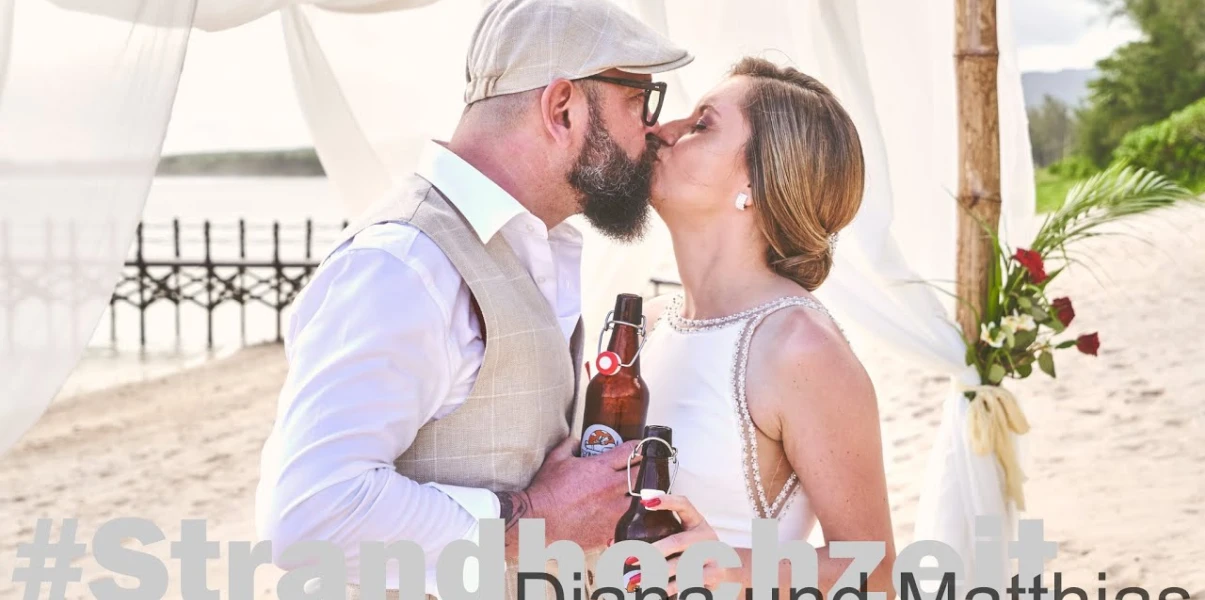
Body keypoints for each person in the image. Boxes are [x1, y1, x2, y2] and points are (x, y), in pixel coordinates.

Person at [252, 0, 692, 598]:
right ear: (561, 108)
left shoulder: (531, 244)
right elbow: (308, 516)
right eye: (640, 101)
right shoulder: (403, 265)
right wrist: (533, 518)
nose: (655, 129)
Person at [624, 57, 898, 598]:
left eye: (702, 125)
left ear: (756, 179)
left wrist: (738, 566)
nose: (662, 130)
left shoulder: (799, 347)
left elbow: (875, 572)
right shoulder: (648, 326)